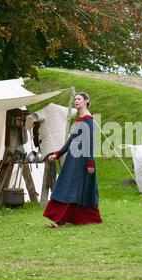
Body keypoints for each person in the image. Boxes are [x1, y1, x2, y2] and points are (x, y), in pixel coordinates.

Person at [43, 92, 102, 228]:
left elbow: (89, 142)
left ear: (86, 101)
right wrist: (58, 154)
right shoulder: (80, 119)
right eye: (75, 99)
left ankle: (61, 220)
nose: (76, 101)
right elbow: (71, 140)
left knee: (72, 187)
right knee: (69, 186)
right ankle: (69, 218)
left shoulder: (88, 119)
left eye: (79, 99)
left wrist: (90, 162)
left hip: (82, 159)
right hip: (72, 158)